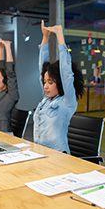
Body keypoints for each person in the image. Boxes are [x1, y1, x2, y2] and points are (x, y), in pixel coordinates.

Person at [34, 21, 84, 153]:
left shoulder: (67, 102)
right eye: (45, 82)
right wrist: (45, 38)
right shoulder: (46, 100)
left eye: (50, 82)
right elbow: (41, 67)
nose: (45, 86)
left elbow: (66, 74)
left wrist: (60, 37)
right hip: (40, 153)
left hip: (58, 156)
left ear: (60, 83)